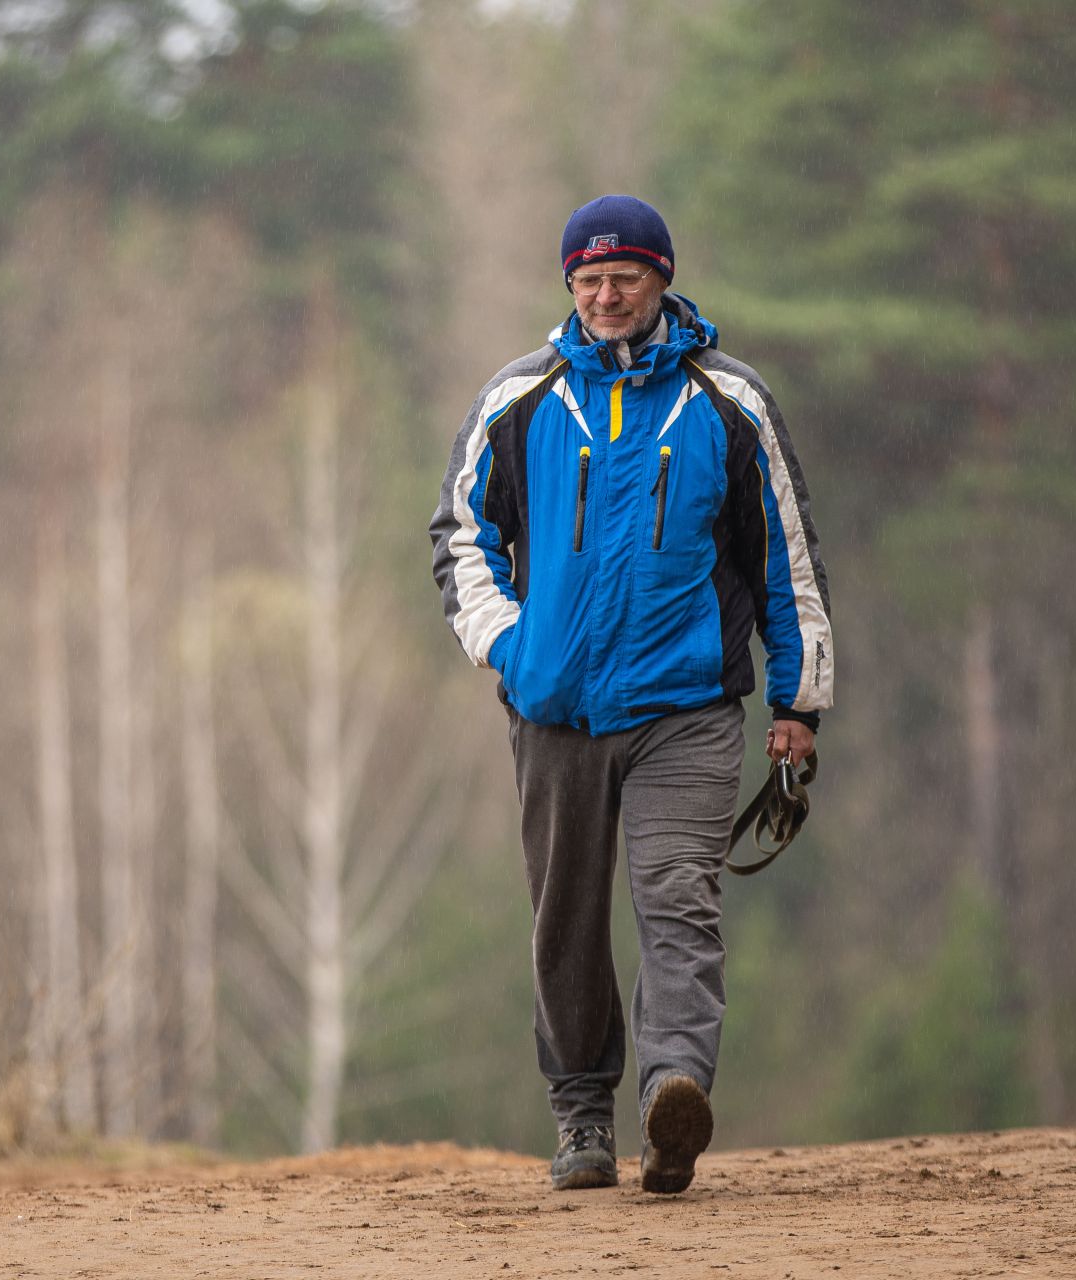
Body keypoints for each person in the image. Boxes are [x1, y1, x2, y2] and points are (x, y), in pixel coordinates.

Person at [428, 195, 834, 1194]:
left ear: (662, 278)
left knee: (677, 900)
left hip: (687, 708)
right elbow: (459, 536)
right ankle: (580, 1116)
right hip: (554, 708)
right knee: (565, 917)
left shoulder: (729, 400)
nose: (607, 296)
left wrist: (798, 702)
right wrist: (511, 649)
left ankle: (674, 1094)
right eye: (589, 280)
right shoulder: (521, 398)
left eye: (625, 277)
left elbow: (786, 560)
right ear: (570, 286)